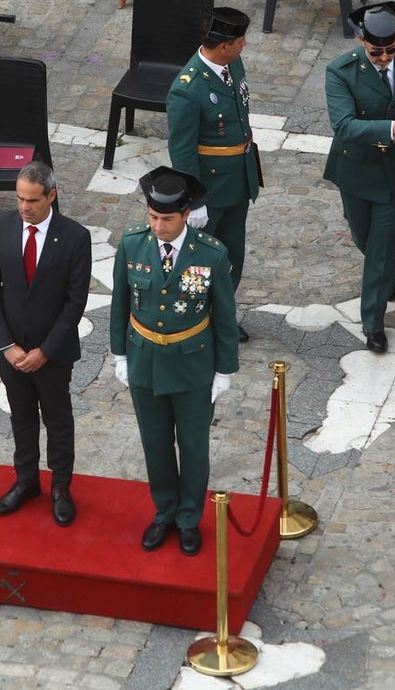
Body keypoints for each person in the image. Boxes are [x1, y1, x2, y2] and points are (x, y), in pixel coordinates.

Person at [109, 166, 239, 556]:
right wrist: (119, 355)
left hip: (192, 365)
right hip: (145, 358)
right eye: (152, 217)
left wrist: (224, 369)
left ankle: (188, 518)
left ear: (185, 215)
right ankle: (164, 511)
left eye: (166, 219)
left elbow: (224, 314)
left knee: (194, 445)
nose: (158, 226)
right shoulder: (133, 244)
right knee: (156, 442)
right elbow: (120, 303)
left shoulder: (211, 254)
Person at [0, 162, 92, 527]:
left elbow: (75, 303)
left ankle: (61, 488)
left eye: (32, 200)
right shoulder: (1, 228)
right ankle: (25, 480)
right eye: (19, 199)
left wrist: (45, 351)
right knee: (21, 417)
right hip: (12, 352)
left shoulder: (75, 237)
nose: (24, 207)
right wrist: (5, 345)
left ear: (51, 196)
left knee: (58, 419)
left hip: (53, 354)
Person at [324, 3, 395, 354]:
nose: (384, 58)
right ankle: (385, 278)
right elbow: (344, 127)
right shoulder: (341, 72)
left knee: (381, 249)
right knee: (363, 237)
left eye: (390, 50)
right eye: (376, 52)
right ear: (360, 41)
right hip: (358, 170)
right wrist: (393, 128)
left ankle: (373, 323)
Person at [167, 6, 259, 342]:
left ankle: (222, 316)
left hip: (238, 180)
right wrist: (195, 199)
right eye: (240, 41)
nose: (244, 45)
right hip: (210, 187)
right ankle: (192, 321)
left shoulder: (231, 64)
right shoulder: (187, 89)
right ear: (223, 46)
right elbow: (182, 151)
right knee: (199, 262)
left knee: (232, 254)